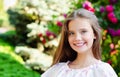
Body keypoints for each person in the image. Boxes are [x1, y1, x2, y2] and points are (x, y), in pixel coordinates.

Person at [41, 8, 118, 77]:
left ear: (94, 34)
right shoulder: (57, 71)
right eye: (71, 33)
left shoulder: (103, 71)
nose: (77, 38)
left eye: (83, 31)